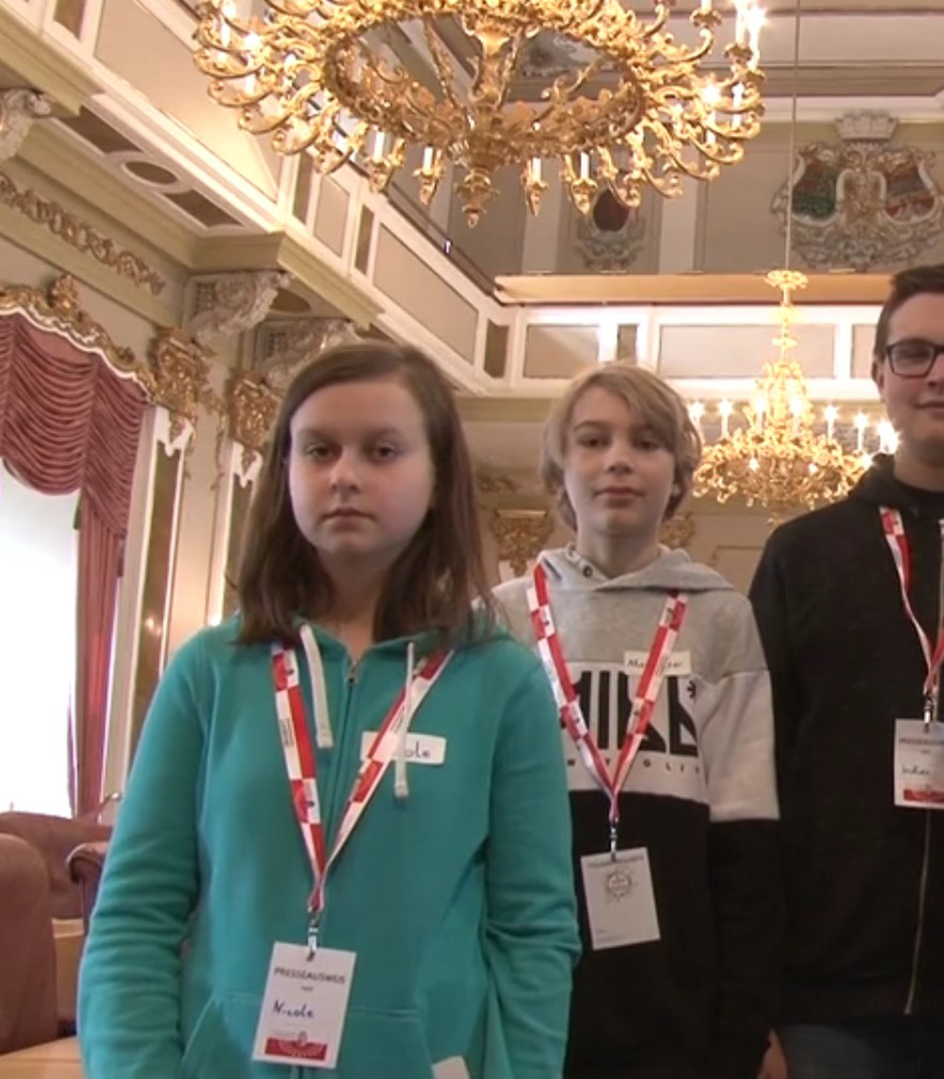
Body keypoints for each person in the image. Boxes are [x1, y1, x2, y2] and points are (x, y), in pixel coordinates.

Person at [77, 342, 580, 1077]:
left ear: (439, 478)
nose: (344, 474)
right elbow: (134, 914)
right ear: (286, 471)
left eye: (382, 451)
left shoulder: (502, 682)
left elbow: (534, 931)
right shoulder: (209, 671)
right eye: (319, 450)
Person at [749, 262, 944, 1078]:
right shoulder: (803, 552)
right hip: (829, 998)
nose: (941, 374)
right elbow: (755, 774)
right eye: (915, 352)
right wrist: (752, 1002)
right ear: (878, 374)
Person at [495, 364, 780, 1079]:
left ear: (677, 474)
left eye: (646, 443)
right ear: (559, 468)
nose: (618, 459)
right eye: (593, 440)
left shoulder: (721, 617)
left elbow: (747, 844)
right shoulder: (499, 618)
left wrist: (740, 1032)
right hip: (519, 991)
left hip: (674, 1002)